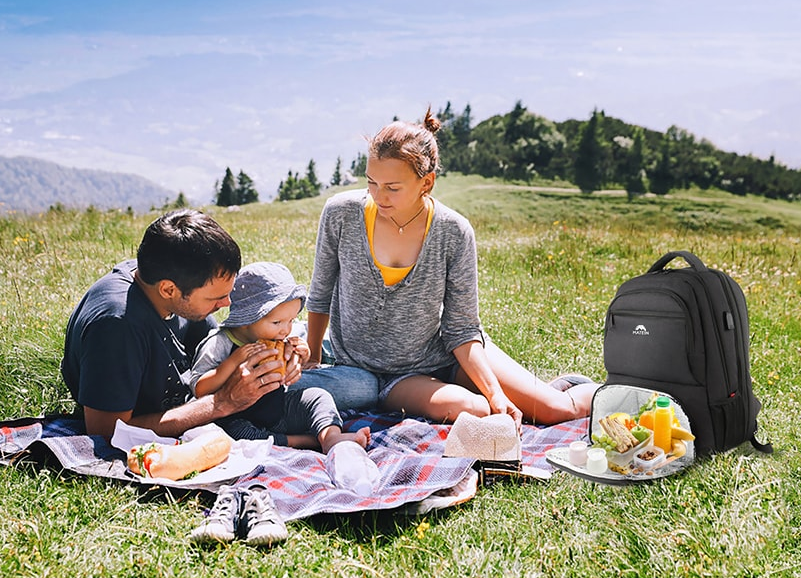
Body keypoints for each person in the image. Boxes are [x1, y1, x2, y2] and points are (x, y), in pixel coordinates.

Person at [298, 108, 599, 427]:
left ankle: (615, 393)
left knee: (555, 411)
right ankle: (529, 389)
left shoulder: (453, 231)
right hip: (394, 377)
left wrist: (496, 393)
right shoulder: (341, 213)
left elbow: (462, 329)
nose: (378, 196)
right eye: (372, 182)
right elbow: (320, 295)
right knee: (474, 410)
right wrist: (314, 357)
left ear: (426, 183)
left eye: (392, 187)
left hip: (452, 353)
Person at [61, 209, 294, 439]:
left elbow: (219, 350)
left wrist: (279, 357)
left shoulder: (167, 277)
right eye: (215, 298)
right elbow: (106, 430)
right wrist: (223, 402)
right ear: (168, 289)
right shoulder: (117, 327)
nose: (226, 303)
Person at [189, 262, 370, 453]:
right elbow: (199, 388)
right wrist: (232, 362)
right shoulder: (220, 343)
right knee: (239, 435)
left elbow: (290, 370)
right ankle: (307, 441)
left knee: (318, 396)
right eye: (277, 322)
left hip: (279, 410)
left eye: (291, 320)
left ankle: (330, 437)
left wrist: (303, 355)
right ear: (246, 320)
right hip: (238, 418)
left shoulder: (276, 337)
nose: (286, 330)